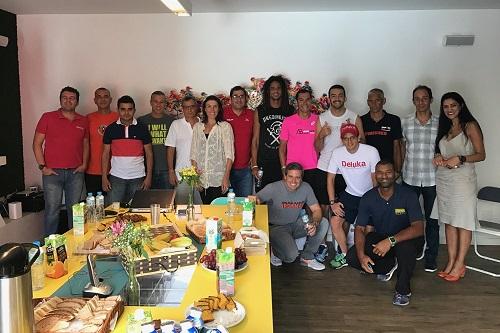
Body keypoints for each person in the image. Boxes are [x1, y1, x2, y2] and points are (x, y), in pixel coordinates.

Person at [346, 160, 424, 306]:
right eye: (380, 173)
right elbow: (360, 228)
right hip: (382, 238)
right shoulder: (368, 197)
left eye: (388, 172)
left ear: (394, 174)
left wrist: (390, 241)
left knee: (404, 249)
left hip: (407, 239)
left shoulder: (408, 195)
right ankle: (389, 265)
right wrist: (362, 255)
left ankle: (402, 291)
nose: (384, 176)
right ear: (375, 176)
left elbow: (418, 228)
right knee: (352, 257)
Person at [432, 92, 485, 281]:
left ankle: (460, 264)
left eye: (453, 105)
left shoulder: (470, 126)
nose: (449, 110)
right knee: (449, 221)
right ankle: (451, 261)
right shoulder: (445, 127)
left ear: (461, 106)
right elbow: (442, 151)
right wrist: (438, 157)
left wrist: (461, 158)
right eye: (446, 107)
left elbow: (481, 154)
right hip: (445, 180)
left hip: (463, 181)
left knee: (463, 222)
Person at [33, 86, 89, 236]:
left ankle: (75, 245)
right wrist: (42, 167)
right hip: (52, 173)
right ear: (60, 100)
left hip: (75, 172)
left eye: (72, 98)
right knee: (52, 210)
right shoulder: (48, 117)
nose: (68, 100)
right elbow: (36, 144)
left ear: (77, 101)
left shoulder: (83, 120)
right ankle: (49, 247)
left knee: (75, 211)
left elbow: (85, 144)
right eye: (65, 97)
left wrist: (84, 164)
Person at [256, 162, 329, 271]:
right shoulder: (273, 187)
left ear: (301, 178)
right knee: (291, 256)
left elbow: (316, 210)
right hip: (276, 228)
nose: (294, 181)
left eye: (297, 177)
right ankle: (275, 250)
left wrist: (314, 223)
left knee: (323, 222)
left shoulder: (306, 187)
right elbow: (255, 200)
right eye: (290, 177)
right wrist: (256, 201)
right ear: (285, 176)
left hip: (295, 224)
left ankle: (307, 257)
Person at [327, 123, 380, 269]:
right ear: (342, 140)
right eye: (345, 139)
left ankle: (366, 258)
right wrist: (333, 202)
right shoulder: (337, 153)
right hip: (350, 194)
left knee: (368, 229)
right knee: (335, 222)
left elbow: (376, 178)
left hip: (370, 194)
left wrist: (376, 200)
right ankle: (345, 255)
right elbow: (330, 178)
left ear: (358, 138)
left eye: (352, 138)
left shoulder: (371, 151)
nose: (349, 142)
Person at [401, 85, 439, 272]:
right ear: (413, 100)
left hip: (434, 178)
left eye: (425, 98)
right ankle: (416, 248)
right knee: (411, 219)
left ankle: (431, 256)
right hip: (410, 176)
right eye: (417, 98)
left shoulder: (440, 123)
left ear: (431, 100)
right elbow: (400, 147)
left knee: (433, 220)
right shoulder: (405, 122)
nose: (421, 101)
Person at [314, 84, 365, 212]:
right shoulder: (322, 118)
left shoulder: (354, 117)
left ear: (345, 98)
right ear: (329, 99)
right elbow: (317, 148)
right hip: (325, 167)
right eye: (333, 96)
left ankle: (339, 232)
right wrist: (321, 135)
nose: (337, 98)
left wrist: (352, 134)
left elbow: (363, 143)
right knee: (324, 207)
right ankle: (324, 233)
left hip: (346, 169)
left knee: (344, 209)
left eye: (340, 95)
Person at [101, 95, 153, 204]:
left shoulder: (142, 128)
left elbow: (149, 154)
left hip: (138, 177)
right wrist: (104, 178)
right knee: (113, 211)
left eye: (130, 109)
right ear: (118, 110)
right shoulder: (111, 129)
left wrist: (148, 177)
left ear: (134, 110)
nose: (126, 112)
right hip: (116, 177)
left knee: (137, 211)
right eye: (123, 109)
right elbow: (105, 154)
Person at [251, 75, 295, 191]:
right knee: (262, 198)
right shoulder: (260, 110)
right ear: (268, 91)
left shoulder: (290, 111)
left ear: (283, 91)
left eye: (279, 88)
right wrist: (254, 164)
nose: (276, 91)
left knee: (282, 197)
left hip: (283, 163)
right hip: (263, 162)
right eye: (272, 88)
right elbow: (255, 140)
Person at [279, 88, 323, 204]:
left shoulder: (318, 120)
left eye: (308, 99)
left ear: (312, 101)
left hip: (313, 168)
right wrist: (284, 168)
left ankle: (312, 223)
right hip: (293, 169)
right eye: (301, 100)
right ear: (297, 102)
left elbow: (322, 144)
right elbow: (282, 147)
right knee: (293, 202)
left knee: (312, 203)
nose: (305, 103)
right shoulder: (288, 121)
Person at [190, 95, 234, 204]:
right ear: (204, 109)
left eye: (215, 106)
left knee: (218, 211)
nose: (212, 109)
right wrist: (196, 178)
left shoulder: (225, 127)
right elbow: (193, 153)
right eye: (209, 106)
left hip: (218, 179)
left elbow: (230, 154)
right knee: (206, 210)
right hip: (201, 178)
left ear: (219, 108)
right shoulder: (197, 127)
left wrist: (226, 176)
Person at [165, 96, 202, 204]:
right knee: (183, 208)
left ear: (197, 107)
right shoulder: (176, 125)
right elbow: (170, 149)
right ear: (182, 109)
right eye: (186, 107)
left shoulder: (203, 124)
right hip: (182, 173)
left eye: (192, 106)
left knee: (202, 208)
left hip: (201, 173)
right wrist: (171, 171)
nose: (189, 110)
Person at [361, 88, 403, 176]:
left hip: (388, 170)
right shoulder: (361, 120)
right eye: (371, 101)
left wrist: (398, 170)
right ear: (367, 102)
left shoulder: (394, 120)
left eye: (377, 100)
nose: (374, 104)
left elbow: (397, 146)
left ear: (384, 101)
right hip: (367, 169)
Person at [138, 91, 175, 189]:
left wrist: (172, 170)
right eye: (155, 101)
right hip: (145, 170)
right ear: (150, 102)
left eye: (162, 102)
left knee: (167, 202)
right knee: (146, 202)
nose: (158, 105)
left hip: (166, 170)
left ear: (165, 104)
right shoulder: (141, 121)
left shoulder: (172, 122)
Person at [86, 87, 118, 197]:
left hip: (114, 171)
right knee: (94, 208)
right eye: (99, 97)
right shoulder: (88, 119)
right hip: (92, 170)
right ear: (94, 100)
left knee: (114, 208)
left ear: (111, 99)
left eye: (105, 96)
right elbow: (83, 144)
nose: (102, 99)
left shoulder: (118, 117)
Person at [223, 86, 254, 197]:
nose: (238, 99)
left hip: (245, 169)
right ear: (230, 99)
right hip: (225, 168)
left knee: (245, 203)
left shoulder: (252, 114)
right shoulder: (222, 114)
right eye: (235, 96)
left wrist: (254, 158)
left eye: (241, 96)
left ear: (246, 98)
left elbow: (256, 139)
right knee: (224, 204)